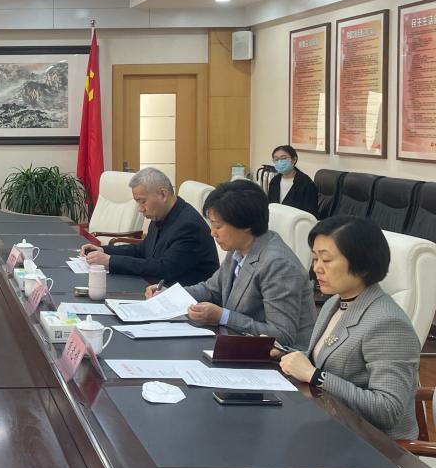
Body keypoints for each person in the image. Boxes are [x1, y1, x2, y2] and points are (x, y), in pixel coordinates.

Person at [277, 216, 420, 439]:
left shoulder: (388, 323)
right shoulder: (335, 302)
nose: (316, 269)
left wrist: (316, 376)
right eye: (315, 258)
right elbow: (324, 359)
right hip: (331, 424)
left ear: (362, 264)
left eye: (326, 260)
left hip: (373, 445)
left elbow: (388, 409)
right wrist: (282, 353)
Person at [147, 179, 316, 347]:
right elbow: (211, 289)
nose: (212, 233)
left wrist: (223, 316)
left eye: (218, 226)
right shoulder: (239, 247)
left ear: (245, 225)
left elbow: (281, 336)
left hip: (279, 357)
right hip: (237, 343)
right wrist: (170, 295)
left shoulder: (278, 264)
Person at [80, 168, 218, 285]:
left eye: (142, 201)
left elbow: (164, 269)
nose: (140, 209)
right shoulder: (162, 214)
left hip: (188, 301)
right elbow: (142, 250)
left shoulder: (188, 226)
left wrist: (110, 261)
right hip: (158, 289)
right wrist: (104, 250)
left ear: (163, 194)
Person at [267, 144, 319, 217]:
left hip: (298, 221)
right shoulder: (274, 181)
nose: (279, 162)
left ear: (294, 160)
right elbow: (271, 206)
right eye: (276, 159)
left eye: (283, 158)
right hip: (277, 219)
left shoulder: (305, 182)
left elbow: (311, 212)